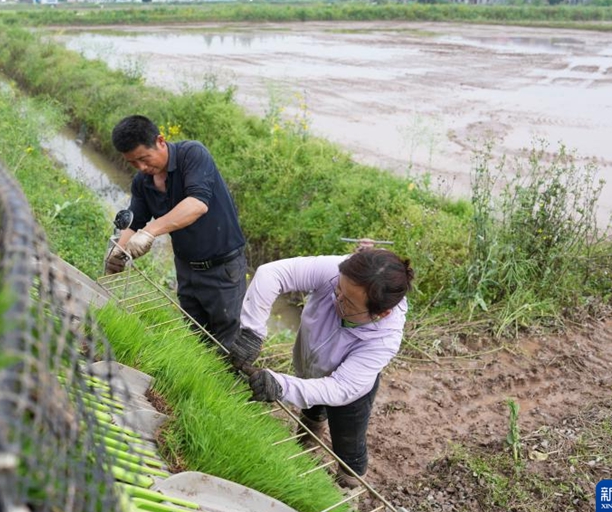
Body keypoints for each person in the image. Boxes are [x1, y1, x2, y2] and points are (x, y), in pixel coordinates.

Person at [227, 247, 413, 488]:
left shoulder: (385, 339)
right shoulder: (336, 270)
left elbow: (340, 387)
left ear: (381, 313)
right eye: (338, 290)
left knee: (348, 443)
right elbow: (271, 274)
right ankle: (305, 452)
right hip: (308, 365)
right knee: (312, 412)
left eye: (348, 302)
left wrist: (282, 386)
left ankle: (348, 484)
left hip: (348, 391)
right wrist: (252, 331)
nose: (337, 299)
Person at [106, 115, 247, 348]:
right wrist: (118, 252)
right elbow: (133, 221)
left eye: (144, 158)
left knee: (228, 340)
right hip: (186, 269)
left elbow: (197, 204)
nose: (141, 167)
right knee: (195, 334)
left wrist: (150, 231)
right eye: (133, 163)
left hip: (223, 269)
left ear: (160, 141)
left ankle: (227, 383)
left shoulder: (192, 154)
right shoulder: (143, 182)